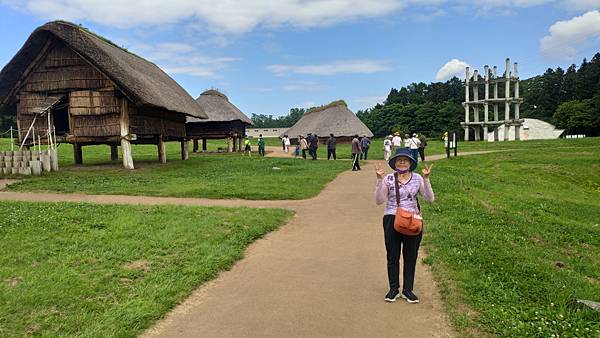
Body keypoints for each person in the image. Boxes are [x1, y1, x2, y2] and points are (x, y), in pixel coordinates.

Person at [374, 148, 434, 304]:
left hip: (412, 220)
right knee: (392, 255)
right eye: (399, 160)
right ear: (394, 163)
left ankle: (408, 289)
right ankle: (393, 289)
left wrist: (426, 179)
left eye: (405, 160)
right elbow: (379, 200)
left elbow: (429, 199)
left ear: (410, 163)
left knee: (410, 256)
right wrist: (379, 180)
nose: (402, 162)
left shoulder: (417, 178)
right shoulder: (388, 179)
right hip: (391, 218)